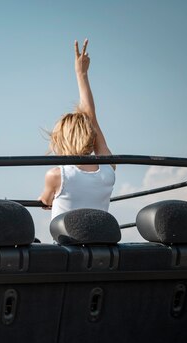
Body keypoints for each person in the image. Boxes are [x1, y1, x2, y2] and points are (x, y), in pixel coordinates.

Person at [39, 39, 115, 220]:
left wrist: (45, 198)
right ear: (90, 135)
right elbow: (91, 118)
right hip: (101, 241)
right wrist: (82, 74)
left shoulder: (56, 175)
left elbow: (45, 201)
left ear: (61, 140)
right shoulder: (108, 168)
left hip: (67, 245)